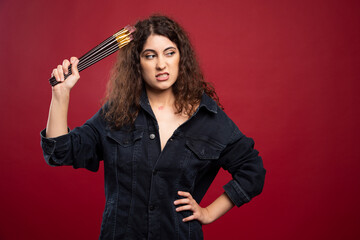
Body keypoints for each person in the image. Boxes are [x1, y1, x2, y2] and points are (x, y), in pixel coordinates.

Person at [41, 15, 266, 240]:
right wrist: (61, 95)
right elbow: (59, 152)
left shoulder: (207, 117)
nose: (161, 64)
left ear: (181, 57)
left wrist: (208, 212)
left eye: (169, 53)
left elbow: (252, 170)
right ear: (137, 63)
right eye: (150, 56)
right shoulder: (117, 113)